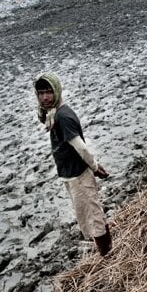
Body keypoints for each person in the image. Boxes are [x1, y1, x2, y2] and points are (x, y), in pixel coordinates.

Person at [33, 73, 113, 256]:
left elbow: (80, 147)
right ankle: (103, 249)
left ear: (56, 91)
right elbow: (45, 118)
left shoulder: (63, 117)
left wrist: (94, 166)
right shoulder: (53, 114)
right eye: (40, 93)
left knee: (93, 213)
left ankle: (107, 253)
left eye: (48, 92)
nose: (45, 97)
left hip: (79, 174)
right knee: (83, 213)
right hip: (69, 173)